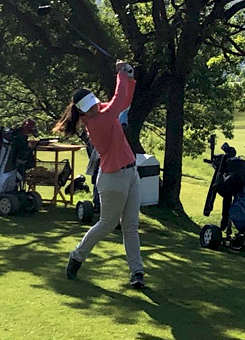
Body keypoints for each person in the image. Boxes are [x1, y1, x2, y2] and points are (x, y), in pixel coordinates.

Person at [53, 60, 145, 289]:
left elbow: (123, 101)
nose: (94, 107)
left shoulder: (101, 111)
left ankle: (137, 273)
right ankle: (77, 255)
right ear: (82, 111)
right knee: (107, 223)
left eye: (93, 103)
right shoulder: (97, 121)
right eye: (89, 106)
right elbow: (117, 101)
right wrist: (121, 74)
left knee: (131, 226)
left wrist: (130, 78)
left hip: (131, 172)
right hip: (112, 178)